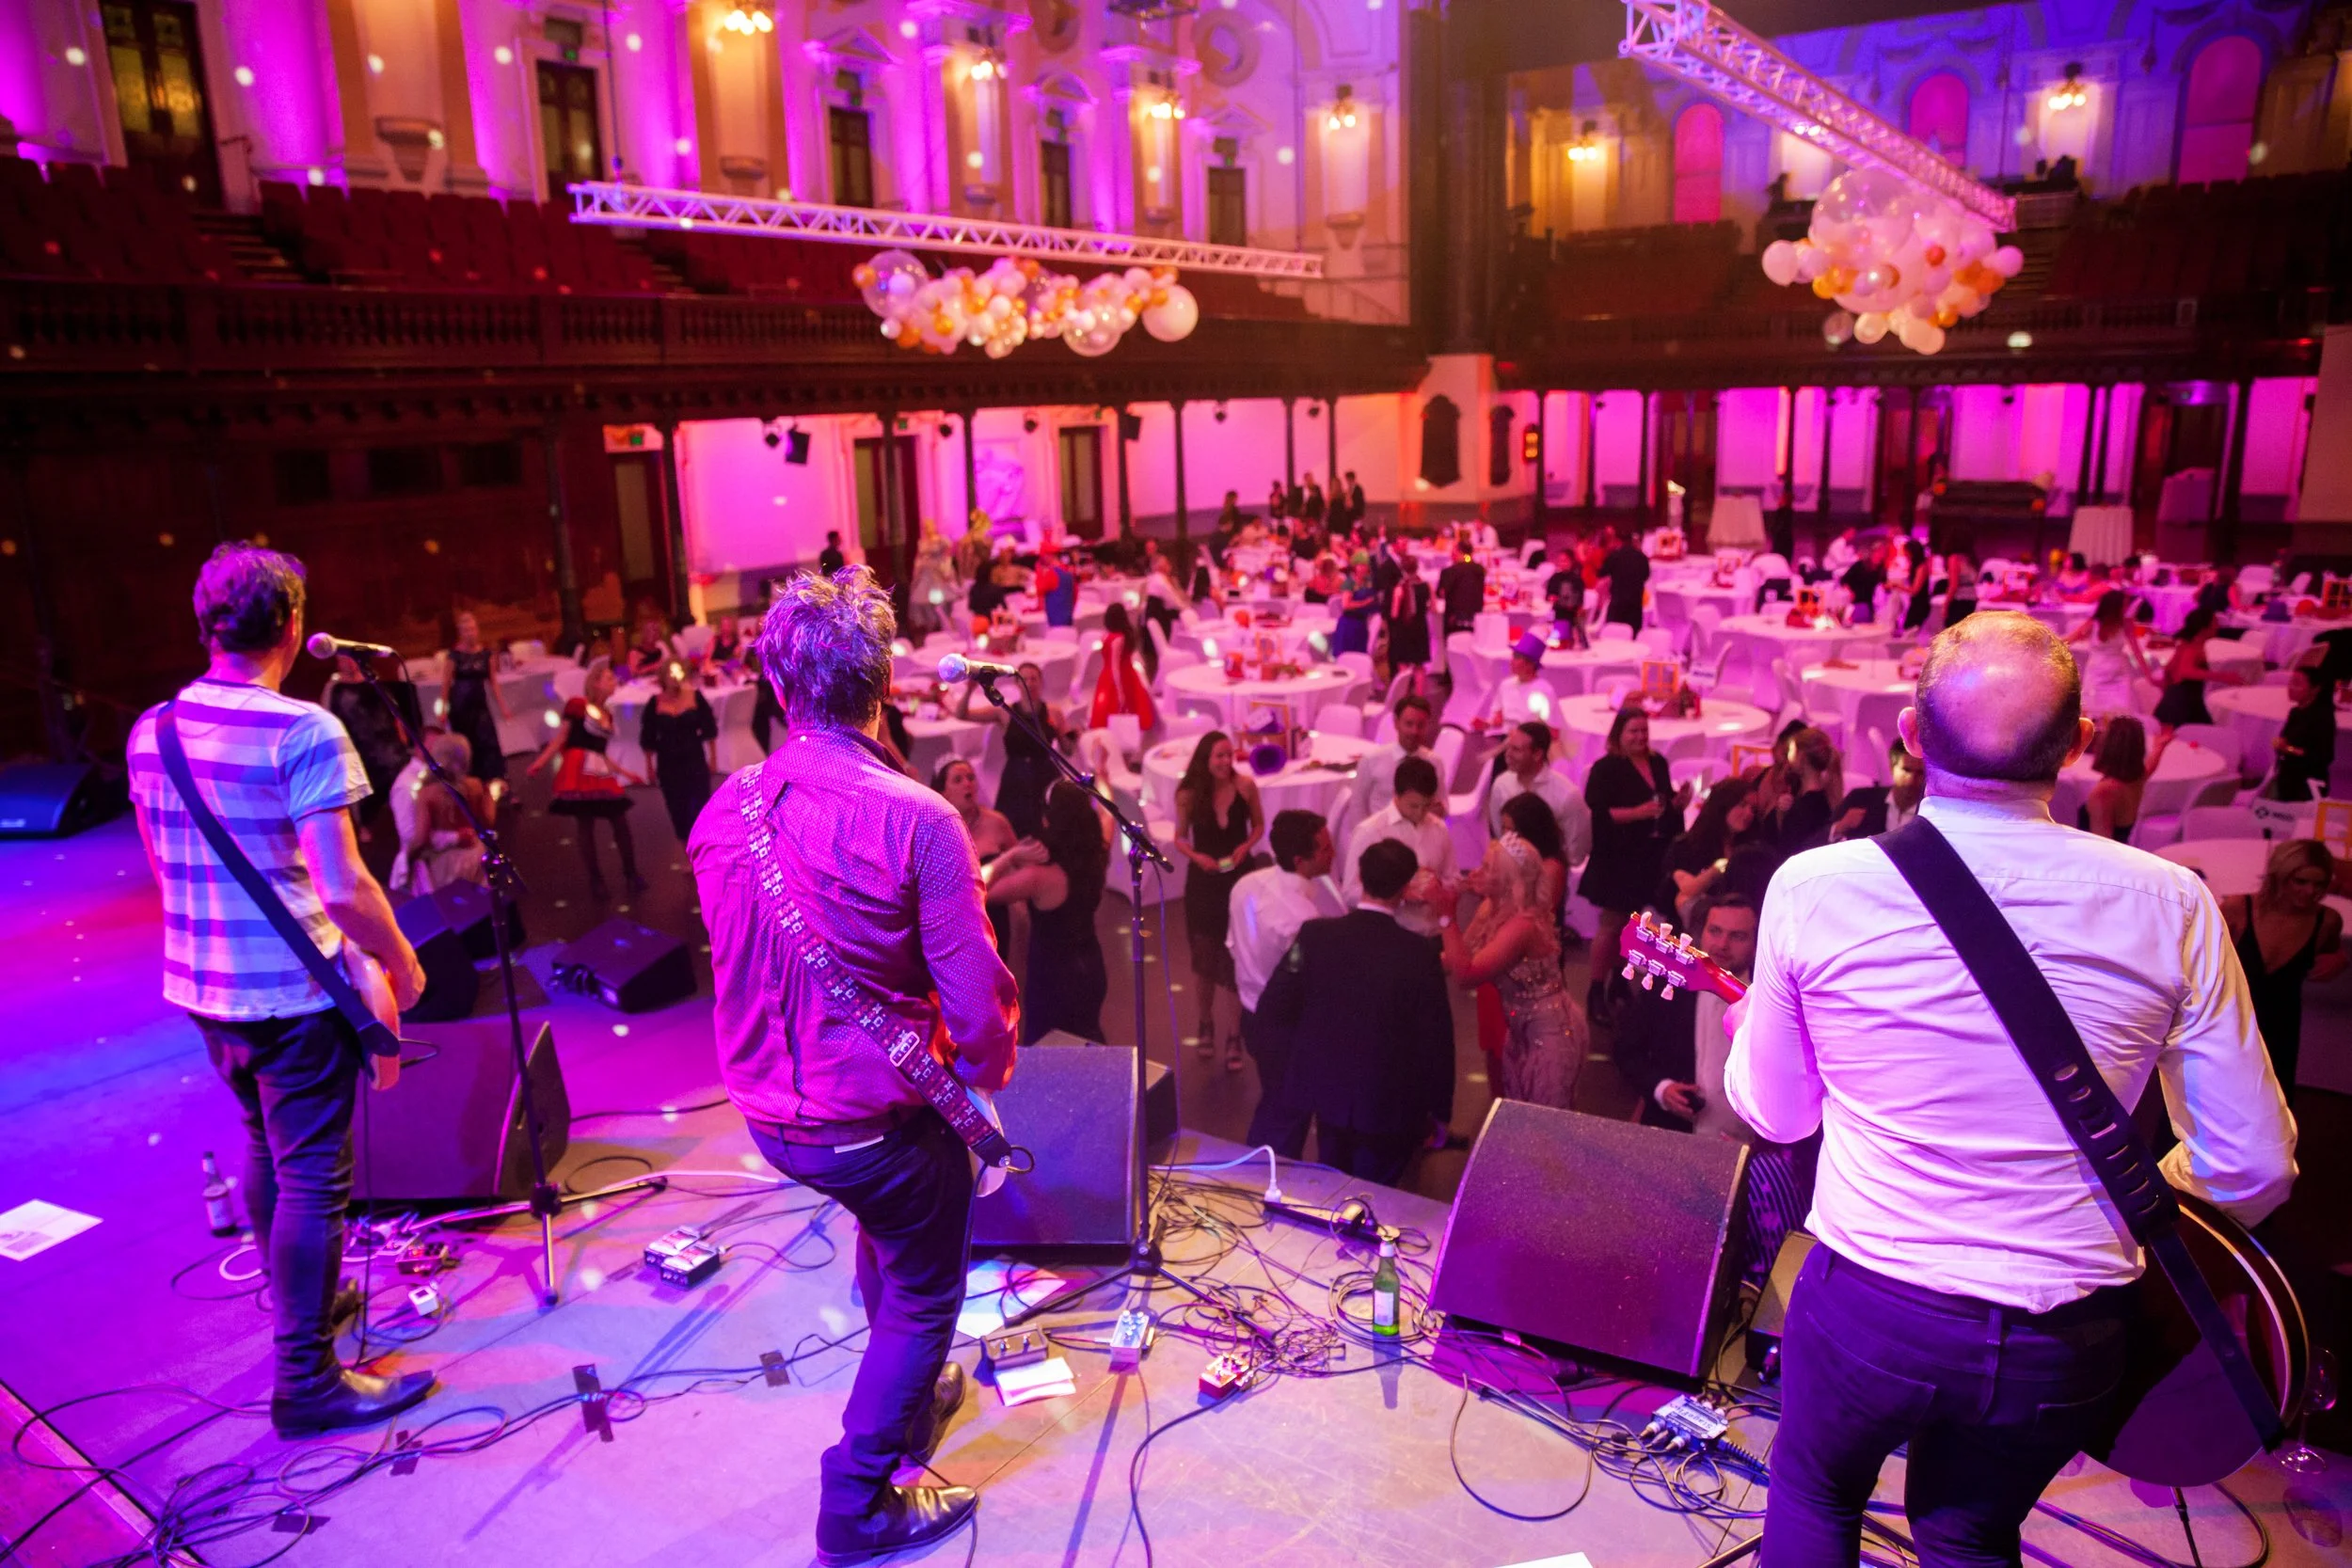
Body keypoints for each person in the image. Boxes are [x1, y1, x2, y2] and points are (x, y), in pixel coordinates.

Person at [1724, 611, 2297, 1568]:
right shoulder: (2173, 903)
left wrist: (1753, 1034)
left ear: (1911, 734)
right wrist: (2125, 1193)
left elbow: (1778, 1114)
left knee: (1816, 1492)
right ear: (2077, 744)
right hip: (2062, 1336)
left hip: (1871, 1303)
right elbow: (2254, 1165)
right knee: (1969, 1533)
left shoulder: (1814, 886)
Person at [690, 567, 1015, 1565]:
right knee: (925, 1286)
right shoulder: (921, 819)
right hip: (871, 1123)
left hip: (768, 1117)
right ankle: (858, 1500)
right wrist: (984, 1073)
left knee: (892, 1224)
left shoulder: (719, 812)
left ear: (777, 687)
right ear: (885, 685)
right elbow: (978, 1015)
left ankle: (908, 1398)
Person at [125, 542, 434, 1438]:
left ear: (206, 627)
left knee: (265, 1146)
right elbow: (342, 886)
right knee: (313, 1178)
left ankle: (306, 1305)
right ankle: (306, 1378)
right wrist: (402, 961)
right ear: (293, 625)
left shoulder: (152, 730)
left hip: (203, 985)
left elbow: (162, 867)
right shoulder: (304, 731)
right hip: (293, 994)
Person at [1613, 894, 1815, 1282]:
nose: (1722, 944)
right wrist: (1662, 1089)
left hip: (1756, 1169)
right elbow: (1627, 1051)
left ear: (1757, 941)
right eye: (1715, 931)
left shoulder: (1783, 999)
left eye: (1737, 936)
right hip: (1677, 1151)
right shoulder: (1670, 988)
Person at [1255, 839, 1454, 1184]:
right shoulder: (1418, 953)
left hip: (1328, 1092)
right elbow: (1435, 1038)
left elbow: (1276, 1003)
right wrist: (1439, 1109)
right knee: (1380, 1192)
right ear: (1405, 888)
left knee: (1332, 1183)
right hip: (1389, 1098)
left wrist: (1303, 1061)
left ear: (1360, 876)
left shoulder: (1316, 935)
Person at [1429, 834, 1585, 1110]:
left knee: (1544, 1122)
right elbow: (1456, 958)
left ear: (1508, 880)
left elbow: (1466, 975)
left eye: (1487, 868)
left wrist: (1446, 917)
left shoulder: (1522, 926)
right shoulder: (1491, 908)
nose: (1475, 872)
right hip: (1518, 1030)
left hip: (1549, 1034)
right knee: (1520, 1113)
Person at [1228, 809, 1347, 1153]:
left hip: (1251, 1012)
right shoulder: (1301, 919)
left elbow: (1233, 946)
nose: (1333, 853)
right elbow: (1314, 984)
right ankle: (1267, 1176)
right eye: (1325, 849)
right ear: (1300, 860)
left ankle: (1258, 1169)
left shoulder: (1246, 885)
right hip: (1284, 1026)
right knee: (1287, 1112)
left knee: (1276, 1100)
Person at [1581, 705, 1690, 1016]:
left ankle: (1618, 981)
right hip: (1618, 857)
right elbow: (1598, 814)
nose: (1640, 737)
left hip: (1649, 856)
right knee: (1611, 924)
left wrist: (1677, 804)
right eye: (1633, 731)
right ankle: (1595, 989)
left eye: (1644, 730)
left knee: (1632, 923)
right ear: (1619, 734)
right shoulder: (1606, 768)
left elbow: (1662, 803)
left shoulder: (1657, 762)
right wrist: (1637, 813)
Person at [984, 781, 1110, 1044]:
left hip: (1054, 977)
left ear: (1048, 820)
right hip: (1091, 966)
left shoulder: (1039, 877)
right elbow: (1108, 814)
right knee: (1087, 1043)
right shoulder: (1097, 855)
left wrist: (1010, 856)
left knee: (1050, 1049)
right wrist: (1102, 774)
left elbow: (977, 888)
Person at [2221, 839, 2345, 1098]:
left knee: (2269, 1104)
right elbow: (2199, 957)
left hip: (2281, 1028)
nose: (2310, 891)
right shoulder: (2238, 909)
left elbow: (2334, 953)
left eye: (2319, 884)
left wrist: (2341, 959)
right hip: (2227, 1021)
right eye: (2300, 881)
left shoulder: (2327, 921)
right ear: (2279, 877)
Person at [1174, 731, 1265, 1069]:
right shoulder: (1188, 794)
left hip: (1239, 879)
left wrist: (1246, 846)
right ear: (1206, 759)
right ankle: (1205, 1022)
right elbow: (1179, 838)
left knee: (1235, 960)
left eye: (1230, 755)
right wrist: (1197, 857)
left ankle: (1233, 1035)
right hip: (1204, 880)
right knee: (1204, 960)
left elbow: (1259, 825)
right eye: (1219, 756)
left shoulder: (1246, 787)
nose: (1227, 762)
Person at [525, 657, 647, 897]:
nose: (614, 681)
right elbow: (561, 738)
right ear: (596, 683)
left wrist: (626, 773)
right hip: (578, 769)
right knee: (586, 824)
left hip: (599, 771)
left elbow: (602, 754)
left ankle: (631, 874)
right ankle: (596, 880)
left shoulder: (607, 715)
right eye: (609, 678)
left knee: (619, 821)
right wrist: (539, 763)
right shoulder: (577, 705)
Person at [1342, 755, 1454, 938]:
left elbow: (1452, 878)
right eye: (1413, 806)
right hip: (1391, 935)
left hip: (1434, 932)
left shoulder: (1439, 828)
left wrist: (1437, 888)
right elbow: (1350, 893)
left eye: (1427, 806)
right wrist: (1400, 894)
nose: (1420, 813)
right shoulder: (1371, 831)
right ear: (1396, 794)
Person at [957, 660, 1068, 839]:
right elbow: (962, 715)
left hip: (1045, 774)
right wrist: (969, 690)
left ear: (1041, 682)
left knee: (1052, 829)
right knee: (1012, 830)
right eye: (1025, 679)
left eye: (1034, 679)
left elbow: (1067, 750)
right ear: (1017, 684)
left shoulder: (1054, 712)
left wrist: (1074, 736)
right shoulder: (1005, 711)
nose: (1030, 683)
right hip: (1016, 777)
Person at [934, 756, 1019, 959]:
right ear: (943, 793)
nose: (967, 783)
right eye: (958, 780)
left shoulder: (996, 822)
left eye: (971, 778)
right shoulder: (937, 830)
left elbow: (1019, 866)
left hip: (997, 919)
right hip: (957, 923)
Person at [1655, 773, 1759, 923]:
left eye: (1753, 809)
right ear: (1723, 805)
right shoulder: (1686, 845)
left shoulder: (1749, 849)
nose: (1749, 813)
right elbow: (1687, 891)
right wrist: (1715, 871)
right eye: (1742, 805)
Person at [1488, 721, 1590, 867]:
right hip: (1511, 870)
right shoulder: (1501, 784)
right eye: (1508, 747)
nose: (1508, 755)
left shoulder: (1567, 795)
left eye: (1516, 750)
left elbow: (1576, 853)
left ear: (1537, 754)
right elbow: (1499, 832)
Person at [640, 660, 720, 843]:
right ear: (663, 677)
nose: (675, 677)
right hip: (668, 762)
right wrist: (649, 767)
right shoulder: (655, 702)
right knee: (677, 808)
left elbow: (709, 729)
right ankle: (687, 849)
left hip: (694, 758)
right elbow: (648, 737)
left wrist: (713, 759)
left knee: (700, 805)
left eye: (679, 672)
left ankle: (703, 847)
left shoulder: (695, 696)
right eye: (671, 673)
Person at [407, 731, 492, 895]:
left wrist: (408, 857)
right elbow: (488, 821)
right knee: (479, 903)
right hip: (476, 854)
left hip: (446, 861)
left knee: (452, 904)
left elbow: (421, 839)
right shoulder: (476, 785)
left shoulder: (427, 794)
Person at [440, 610, 511, 792]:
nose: (470, 633)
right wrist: (442, 710)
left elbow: (493, 682)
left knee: (487, 742)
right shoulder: (454, 656)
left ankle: (493, 781)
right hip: (460, 708)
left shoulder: (486, 654)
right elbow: (446, 683)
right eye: (466, 630)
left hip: (480, 706)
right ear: (461, 632)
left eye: (472, 629)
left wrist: (503, 706)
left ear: (477, 630)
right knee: (465, 744)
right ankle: (468, 783)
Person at [2065, 590, 2156, 719]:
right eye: (2124, 604)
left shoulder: (2126, 623)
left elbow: (2137, 652)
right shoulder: (2094, 623)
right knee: (2094, 714)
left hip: (2119, 675)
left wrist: (2149, 677)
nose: (2126, 608)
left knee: (2121, 714)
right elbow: (2071, 639)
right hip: (2096, 675)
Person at [2076, 716, 2170, 842]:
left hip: (2094, 852)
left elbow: (2102, 845)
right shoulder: (2136, 779)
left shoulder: (2104, 793)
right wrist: (2160, 747)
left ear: (2107, 746)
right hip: (2121, 847)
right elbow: (2150, 766)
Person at [1354, 694, 1439, 821]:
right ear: (1396, 723)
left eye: (1421, 725)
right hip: (1380, 831)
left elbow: (1442, 806)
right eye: (1409, 724)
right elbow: (1357, 806)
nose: (1414, 731)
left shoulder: (1434, 762)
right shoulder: (1371, 760)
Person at [2153, 606, 2236, 728]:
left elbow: (2169, 669)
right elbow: (2185, 671)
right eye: (2214, 622)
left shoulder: (2185, 643)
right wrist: (2224, 677)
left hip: (2174, 700)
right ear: (2204, 628)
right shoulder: (2194, 646)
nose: (2217, 626)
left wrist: (2167, 692)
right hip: (2184, 705)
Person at [1829, 736, 1926, 841]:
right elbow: (1819, 836)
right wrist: (1840, 827)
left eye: (1920, 773)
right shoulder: (1860, 800)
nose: (1912, 779)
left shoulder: (1929, 814)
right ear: (1892, 767)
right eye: (1906, 770)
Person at [2268, 657, 2337, 801]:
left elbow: (2324, 756)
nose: (2291, 687)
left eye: (2297, 684)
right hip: (2287, 778)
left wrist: (2289, 749)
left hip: (2307, 785)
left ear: (2315, 689)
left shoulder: (2322, 718)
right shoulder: (2295, 712)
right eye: (2291, 682)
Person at [1772, 726, 1846, 852]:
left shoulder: (1801, 811)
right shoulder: (1827, 799)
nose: (1788, 755)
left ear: (1801, 756)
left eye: (1791, 750)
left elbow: (1786, 850)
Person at [1089, 602, 1157, 732]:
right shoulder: (1119, 639)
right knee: (1123, 704)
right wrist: (1120, 690)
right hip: (1122, 675)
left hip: (1107, 675)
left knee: (1107, 707)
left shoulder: (1105, 636)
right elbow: (1115, 667)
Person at [1480, 631, 1557, 734]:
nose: (1511, 661)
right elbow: (1498, 719)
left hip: (1527, 740)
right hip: (1504, 736)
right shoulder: (1505, 685)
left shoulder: (1544, 690)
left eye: (1517, 657)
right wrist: (1486, 724)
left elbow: (1553, 731)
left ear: (1530, 664)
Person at [1385, 555, 1434, 677]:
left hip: (1404, 629)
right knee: (1419, 665)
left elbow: (1394, 614)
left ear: (1402, 569)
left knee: (1403, 663)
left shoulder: (1400, 589)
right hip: (1421, 627)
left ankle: (1405, 688)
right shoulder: (1427, 586)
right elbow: (1433, 608)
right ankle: (1420, 690)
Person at [1598, 530, 1650, 634]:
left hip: (1618, 602)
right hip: (1635, 603)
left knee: (1614, 633)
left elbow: (1601, 573)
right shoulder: (1642, 557)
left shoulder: (1614, 556)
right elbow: (1646, 576)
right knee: (1633, 634)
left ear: (1618, 541)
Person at [1437, 542, 1486, 638]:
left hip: (1454, 620)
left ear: (1458, 552)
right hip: (1475, 619)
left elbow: (1441, 593)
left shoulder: (1449, 572)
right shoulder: (1480, 570)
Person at [1033, 545, 1078, 629]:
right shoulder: (1068, 571)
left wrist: (1039, 572)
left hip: (1056, 620)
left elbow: (1040, 589)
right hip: (1068, 617)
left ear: (1048, 556)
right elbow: (1075, 594)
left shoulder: (1052, 574)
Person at [626, 615, 675, 680]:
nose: (652, 633)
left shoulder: (661, 650)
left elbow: (670, 666)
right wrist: (655, 667)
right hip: (642, 685)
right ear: (643, 633)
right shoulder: (634, 652)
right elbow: (635, 674)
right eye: (649, 630)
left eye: (655, 630)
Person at [1940, 549, 1978, 628]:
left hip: (1959, 599)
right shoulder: (1970, 557)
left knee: (1953, 630)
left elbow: (1953, 585)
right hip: (1972, 598)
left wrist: (1946, 605)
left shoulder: (1954, 558)